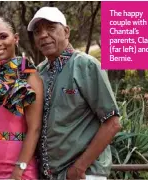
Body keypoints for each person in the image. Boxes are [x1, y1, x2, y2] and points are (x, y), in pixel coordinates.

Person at [27, 7, 122, 180]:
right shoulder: (39, 73)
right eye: (37, 31)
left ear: (66, 31)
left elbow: (112, 123)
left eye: (51, 28)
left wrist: (79, 168)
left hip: (85, 174)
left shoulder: (86, 66)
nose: (43, 35)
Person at [0, 17, 43, 180]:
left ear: (16, 38)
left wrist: (19, 169)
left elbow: (34, 128)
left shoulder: (29, 75)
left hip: (19, 168)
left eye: (3, 36)